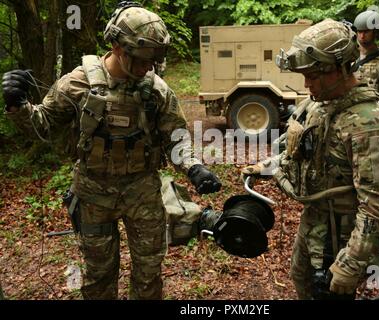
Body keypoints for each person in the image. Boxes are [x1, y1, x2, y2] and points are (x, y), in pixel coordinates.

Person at [1, 2, 221, 300]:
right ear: (117, 46)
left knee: (148, 272)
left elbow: (176, 139)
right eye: (141, 59)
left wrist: (194, 167)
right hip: (93, 193)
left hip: (141, 191)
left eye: (152, 61)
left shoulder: (156, 90)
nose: (147, 68)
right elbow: (45, 125)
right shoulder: (78, 82)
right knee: (99, 275)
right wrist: (18, 106)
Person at [243, 18, 379, 299]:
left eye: (314, 75)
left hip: (340, 236)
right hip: (313, 223)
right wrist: (269, 165)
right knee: (301, 281)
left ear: (340, 68)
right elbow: (297, 148)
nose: (307, 83)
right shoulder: (318, 104)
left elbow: (376, 205)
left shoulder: (370, 123)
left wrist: (350, 263)